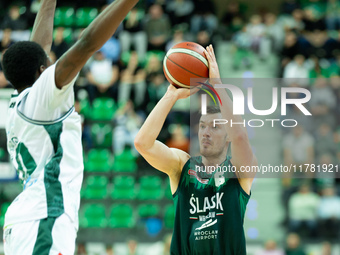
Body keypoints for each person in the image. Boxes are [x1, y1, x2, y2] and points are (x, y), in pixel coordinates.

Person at [2, 0, 138, 254]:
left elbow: (38, 48)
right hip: (44, 216)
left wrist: (48, 3)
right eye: (49, 62)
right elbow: (86, 44)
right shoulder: (43, 97)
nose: (54, 62)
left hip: (30, 218)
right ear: (42, 71)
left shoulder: (21, 102)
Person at [134, 45, 257, 254]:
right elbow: (142, 144)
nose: (206, 132)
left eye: (215, 126)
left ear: (228, 137)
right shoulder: (182, 165)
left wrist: (217, 85)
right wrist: (170, 96)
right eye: (202, 126)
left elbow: (240, 136)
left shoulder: (239, 172)